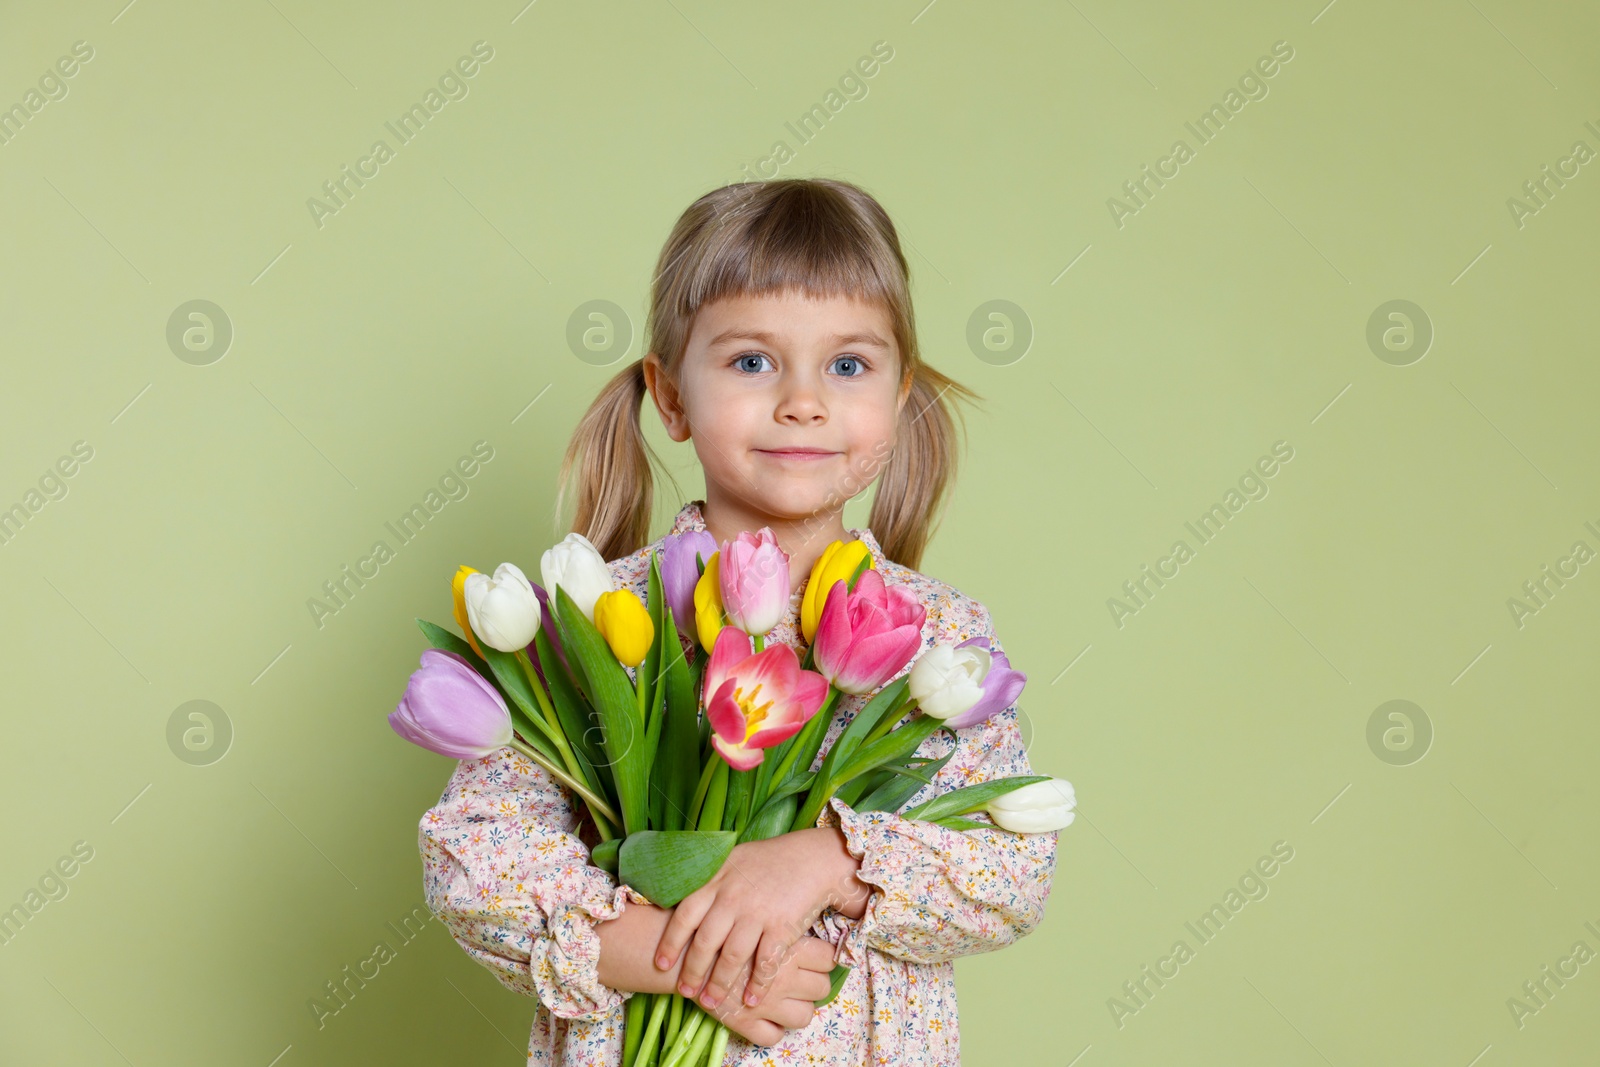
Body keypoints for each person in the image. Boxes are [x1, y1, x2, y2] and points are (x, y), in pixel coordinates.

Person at [419, 178, 1059, 1065]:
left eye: (848, 365)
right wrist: (672, 960)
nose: (803, 399)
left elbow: (1012, 871)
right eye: (752, 361)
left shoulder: (938, 637)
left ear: (900, 396)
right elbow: (472, 855)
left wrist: (825, 859)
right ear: (671, 397)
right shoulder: (593, 619)